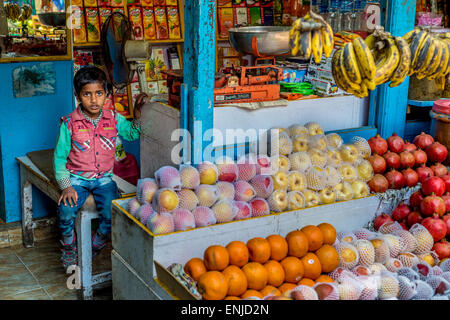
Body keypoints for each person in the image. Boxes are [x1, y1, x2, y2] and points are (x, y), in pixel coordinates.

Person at [54, 66, 147, 269]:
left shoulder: (114, 118)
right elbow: (60, 159)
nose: (94, 100)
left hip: (104, 179)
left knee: (112, 213)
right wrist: (66, 186)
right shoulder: (69, 124)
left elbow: (132, 134)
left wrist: (138, 116)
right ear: (78, 96)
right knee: (65, 211)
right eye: (87, 94)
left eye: (99, 93)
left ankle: (95, 246)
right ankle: (69, 245)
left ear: (106, 94)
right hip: (76, 178)